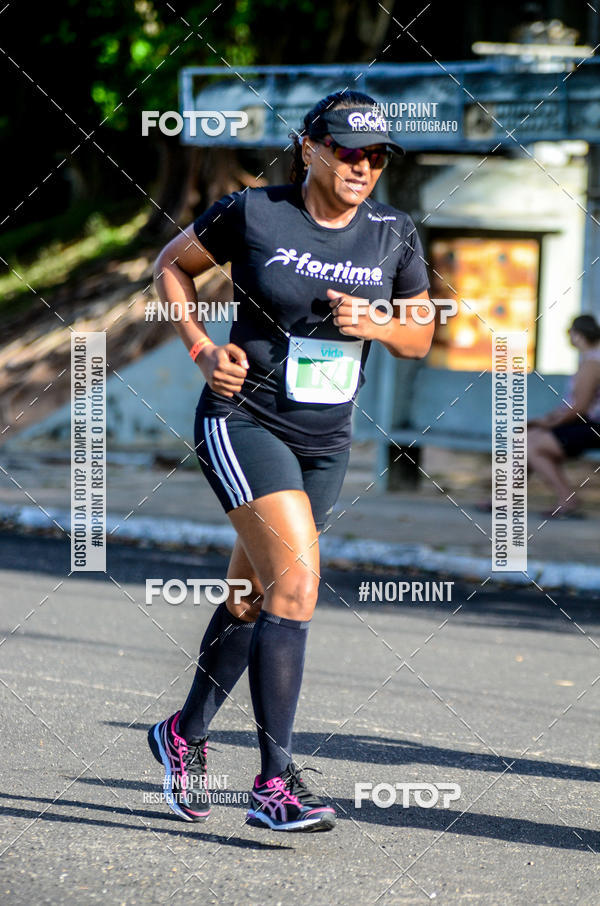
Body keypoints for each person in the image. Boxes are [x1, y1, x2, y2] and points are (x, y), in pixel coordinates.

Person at [148, 90, 433, 832]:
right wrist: (202, 349)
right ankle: (275, 784)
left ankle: (181, 733)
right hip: (244, 420)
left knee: (252, 598)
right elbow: (171, 267)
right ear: (309, 147)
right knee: (298, 585)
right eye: (348, 151)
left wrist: (378, 321)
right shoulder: (255, 212)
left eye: (377, 156)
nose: (363, 167)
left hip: (326, 441)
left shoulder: (393, 232)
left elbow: (420, 335)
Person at [527, 314, 600, 517]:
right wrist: (547, 421)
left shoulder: (592, 364)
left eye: (570, 332)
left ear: (578, 335)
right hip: (586, 425)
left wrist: (549, 424)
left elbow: (580, 408)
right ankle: (504, 498)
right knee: (528, 439)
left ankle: (567, 500)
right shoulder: (590, 360)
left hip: (591, 428)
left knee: (531, 445)